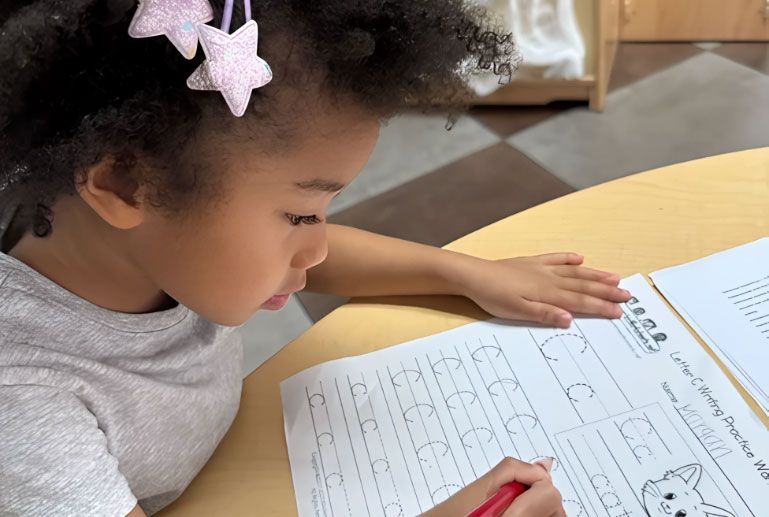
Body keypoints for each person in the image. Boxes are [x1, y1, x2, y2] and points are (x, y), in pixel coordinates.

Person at [0, 0, 630, 515]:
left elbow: (314, 263)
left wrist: (464, 271)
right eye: (300, 215)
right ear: (125, 184)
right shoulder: (23, 410)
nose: (319, 245)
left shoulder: (137, 244)